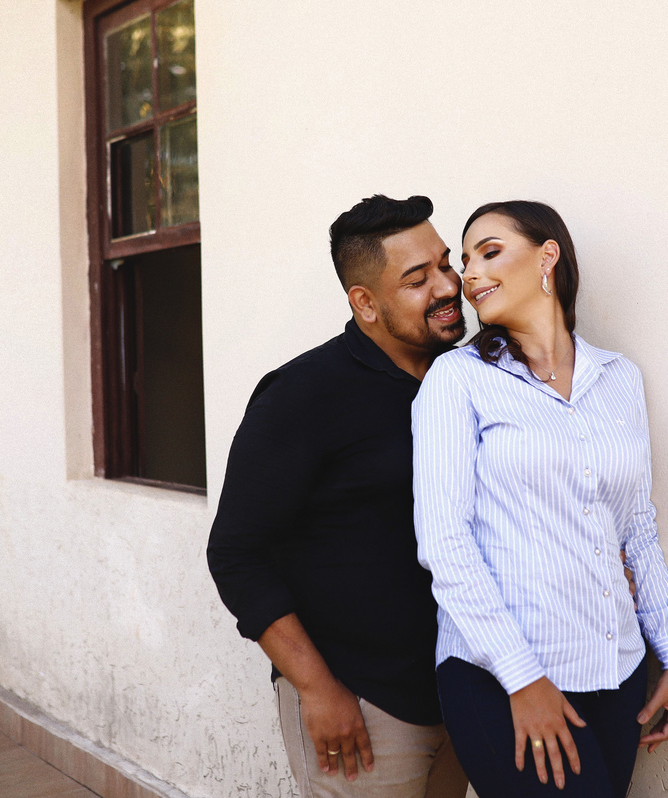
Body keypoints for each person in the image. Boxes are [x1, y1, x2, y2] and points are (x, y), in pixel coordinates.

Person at [411, 201, 668, 798]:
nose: (470, 275)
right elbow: (444, 540)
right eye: (466, 262)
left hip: (616, 667)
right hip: (498, 675)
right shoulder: (457, 379)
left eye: (489, 252)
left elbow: (636, 525)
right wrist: (523, 680)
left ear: (548, 255)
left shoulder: (619, 378)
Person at [206, 195, 470, 798]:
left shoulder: (468, 381)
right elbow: (237, 555)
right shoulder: (302, 395)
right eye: (417, 278)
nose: (447, 285)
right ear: (364, 302)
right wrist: (319, 691)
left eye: (444, 264)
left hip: (462, 689)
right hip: (361, 704)